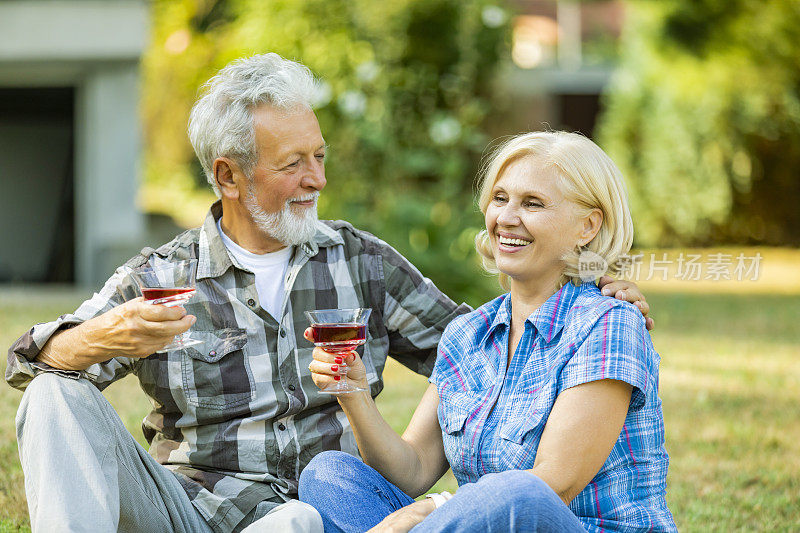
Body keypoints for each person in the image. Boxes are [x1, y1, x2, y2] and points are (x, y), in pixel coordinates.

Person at [6, 55, 650, 533]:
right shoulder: (159, 276)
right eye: (293, 164)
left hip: (308, 523)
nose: (317, 178)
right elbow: (22, 363)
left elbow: (497, 357)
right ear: (229, 175)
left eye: (319, 155)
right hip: (190, 514)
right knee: (55, 392)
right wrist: (99, 339)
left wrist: (593, 294)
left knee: (305, 511)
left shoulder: (362, 261)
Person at [299, 131, 676, 532]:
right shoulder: (467, 334)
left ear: (587, 226)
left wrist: (431, 509)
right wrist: (353, 392)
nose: (506, 218)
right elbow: (413, 470)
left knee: (517, 492)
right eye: (500, 199)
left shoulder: (608, 322)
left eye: (532, 203)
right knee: (329, 475)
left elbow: (553, 485)